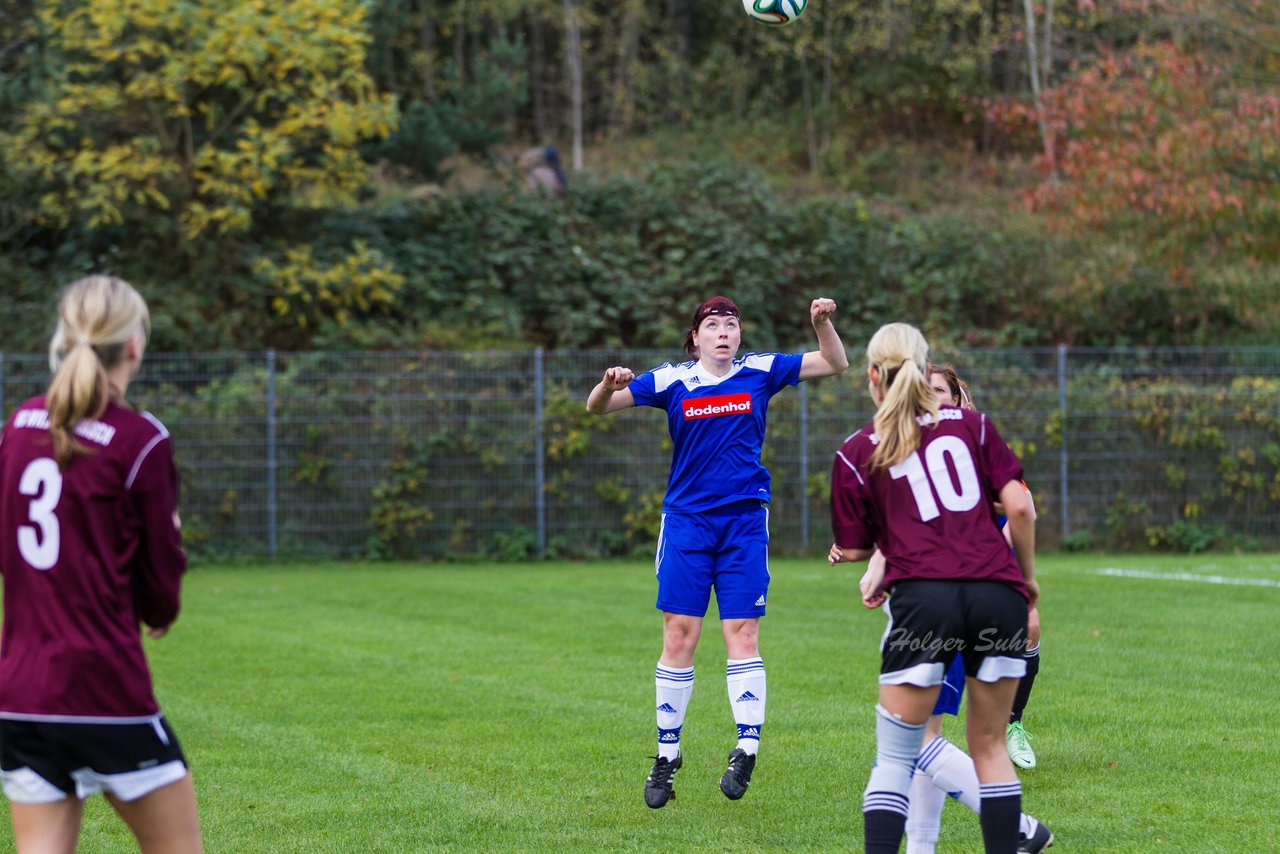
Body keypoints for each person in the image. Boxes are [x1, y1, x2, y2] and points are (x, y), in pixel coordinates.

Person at [586, 295, 849, 809]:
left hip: (744, 523)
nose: (724, 331)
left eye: (732, 324)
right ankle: (667, 756)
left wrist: (823, 324)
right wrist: (607, 385)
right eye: (713, 325)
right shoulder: (670, 380)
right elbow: (597, 409)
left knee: (743, 631)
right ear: (696, 338)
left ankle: (746, 749)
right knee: (679, 634)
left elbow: (835, 363)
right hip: (686, 525)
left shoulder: (761, 370)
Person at [0, 276, 202, 852]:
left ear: (64, 339)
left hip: (20, 696)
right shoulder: (140, 440)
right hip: (104, 691)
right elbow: (161, 573)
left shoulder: (17, 428)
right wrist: (160, 607)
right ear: (135, 344)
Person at [828, 322, 1041, 853]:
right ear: (926, 374)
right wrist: (1029, 583)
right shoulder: (974, 425)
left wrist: (878, 559)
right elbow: (1019, 506)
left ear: (872, 376)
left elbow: (853, 548)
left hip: (925, 598)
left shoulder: (857, 449)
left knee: (898, 756)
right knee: (989, 747)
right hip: (998, 593)